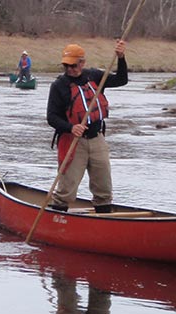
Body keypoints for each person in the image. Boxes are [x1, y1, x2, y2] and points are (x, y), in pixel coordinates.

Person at [45, 40, 128, 214]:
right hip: (73, 141)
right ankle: (57, 216)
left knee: (103, 186)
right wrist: (70, 127)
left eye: (74, 65)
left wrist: (121, 58)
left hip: (97, 139)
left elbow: (122, 80)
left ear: (82, 63)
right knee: (66, 188)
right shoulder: (59, 86)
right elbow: (51, 117)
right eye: (66, 66)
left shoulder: (95, 76)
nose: (70, 69)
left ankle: (104, 218)